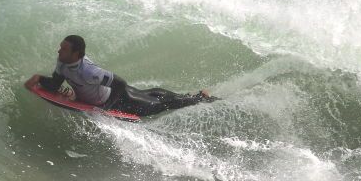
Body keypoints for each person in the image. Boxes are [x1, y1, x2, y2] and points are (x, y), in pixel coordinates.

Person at [24, 35, 219, 117]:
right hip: (112, 96)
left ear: (76, 54)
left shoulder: (89, 71)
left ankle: (200, 98)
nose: (59, 51)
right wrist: (39, 79)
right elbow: (56, 83)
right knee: (151, 93)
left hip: (120, 99)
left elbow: (120, 83)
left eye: (64, 49)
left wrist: (107, 109)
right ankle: (193, 95)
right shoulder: (63, 62)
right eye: (61, 47)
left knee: (159, 105)